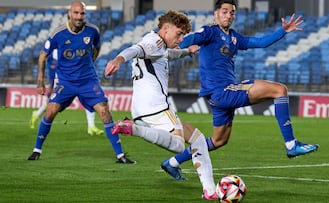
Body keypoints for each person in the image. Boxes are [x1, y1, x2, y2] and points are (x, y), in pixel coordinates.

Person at [162, 0, 320, 179]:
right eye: (224, 11)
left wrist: (283, 31)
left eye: (231, 13)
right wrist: (179, 44)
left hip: (219, 96)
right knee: (279, 90)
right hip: (222, 91)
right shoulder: (209, 31)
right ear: (216, 13)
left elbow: (260, 42)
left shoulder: (234, 37)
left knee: (218, 140)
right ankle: (291, 144)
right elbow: (192, 38)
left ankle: (172, 162)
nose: (228, 15)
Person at [105, 10, 217, 200]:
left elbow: (167, 54)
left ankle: (210, 191)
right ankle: (133, 129)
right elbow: (135, 49)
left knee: (197, 139)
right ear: (165, 29)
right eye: (179, 33)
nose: (181, 38)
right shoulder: (154, 42)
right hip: (156, 107)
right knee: (179, 145)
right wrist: (118, 59)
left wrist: (186, 52)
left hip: (142, 109)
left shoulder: (159, 46)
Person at [27, 1, 135, 164]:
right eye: (76, 13)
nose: (79, 16)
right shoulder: (59, 33)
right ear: (70, 14)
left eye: (82, 13)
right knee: (50, 111)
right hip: (66, 82)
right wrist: (40, 81)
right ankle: (37, 150)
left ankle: (120, 155)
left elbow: (96, 48)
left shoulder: (92, 31)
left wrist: (89, 62)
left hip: (88, 81)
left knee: (105, 112)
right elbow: (43, 55)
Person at [29, 49, 104, 136]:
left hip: (74, 76)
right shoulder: (57, 46)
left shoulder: (70, 45)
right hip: (59, 76)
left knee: (89, 98)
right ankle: (37, 114)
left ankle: (91, 126)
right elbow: (50, 64)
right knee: (52, 100)